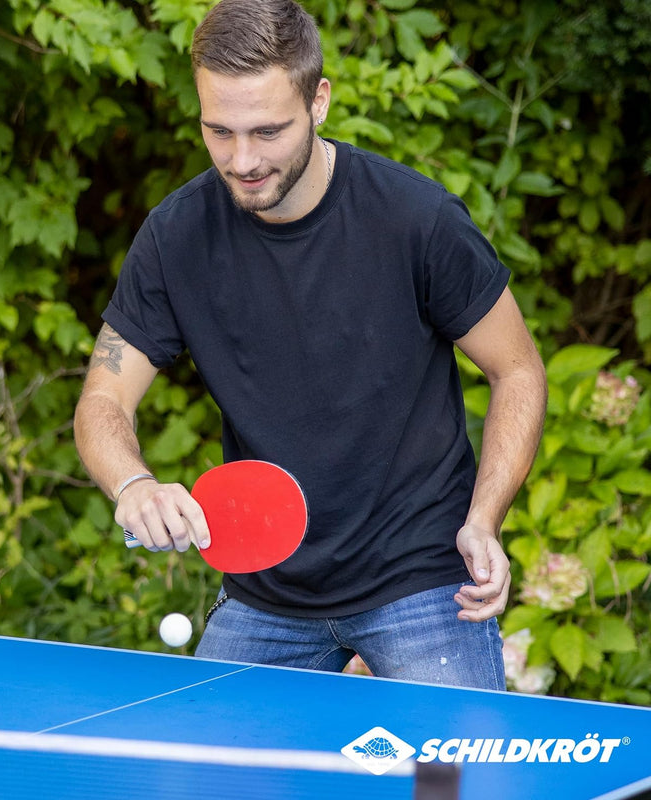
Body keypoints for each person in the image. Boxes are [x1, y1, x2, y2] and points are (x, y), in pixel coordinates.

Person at [73, 0, 547, 690]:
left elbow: (518, 370)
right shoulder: (176, 237)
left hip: (417, 578)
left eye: (267, 131)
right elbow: (102, 397)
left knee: (448, 786)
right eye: (219, 131)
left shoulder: (416, 219)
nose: (242, 160)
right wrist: (133, 482)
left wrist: (484, 518)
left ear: (318, 100)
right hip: (266, 593)